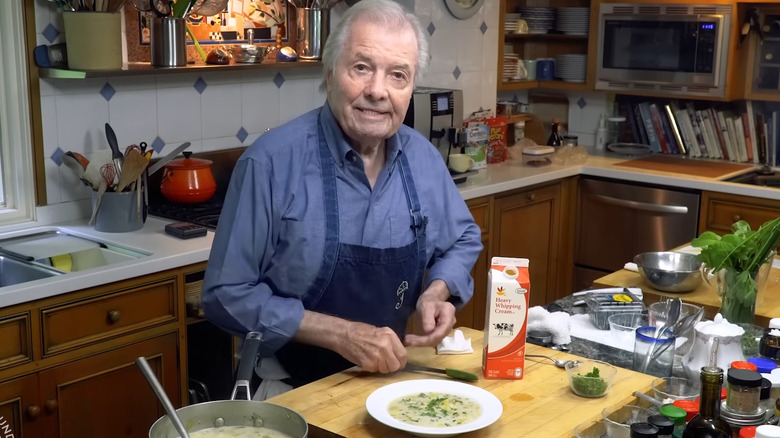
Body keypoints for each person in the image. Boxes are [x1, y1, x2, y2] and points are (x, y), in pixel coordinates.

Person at [202, 0, 482, 399]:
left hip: (392, 386)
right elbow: (224, 295)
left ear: (411, 89)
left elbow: (463, 238)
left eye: (398, 75)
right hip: (293, 392)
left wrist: (439, 291)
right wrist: (340, 333)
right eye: (362, 67)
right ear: (330, 73)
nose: (377, 91)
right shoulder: (270, 163)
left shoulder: (422, 159)